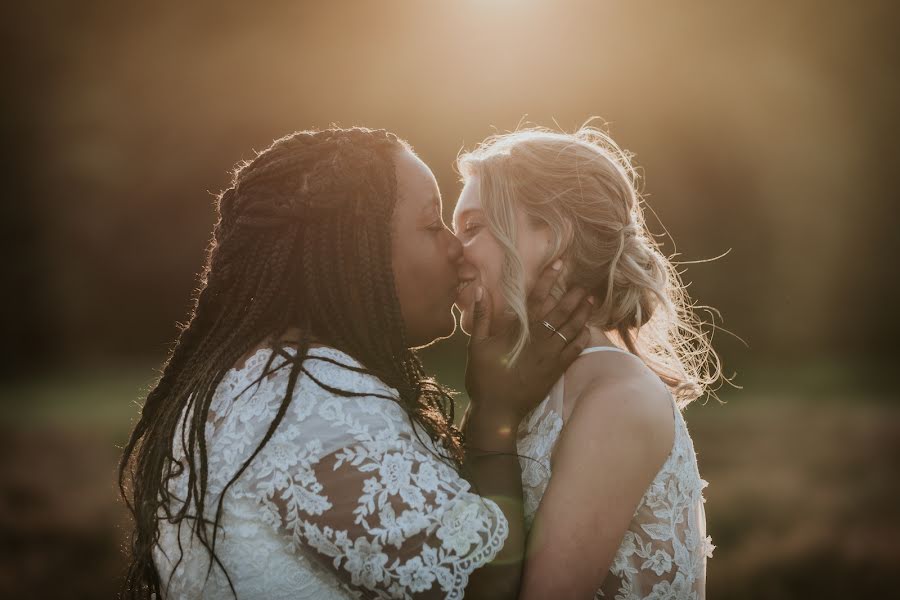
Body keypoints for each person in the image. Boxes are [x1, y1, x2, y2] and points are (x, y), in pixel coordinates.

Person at [117, 127, 593, 599]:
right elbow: (481, 586)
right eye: (432, 225)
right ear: (352, 249)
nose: (457, 250)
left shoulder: (269, 382)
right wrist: (495, 416)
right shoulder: (308, 405)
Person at [452, 125, 722, 599]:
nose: (455, 253)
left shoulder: (619, 397)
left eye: (473, 228)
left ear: (552, 237)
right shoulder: (526, 384)